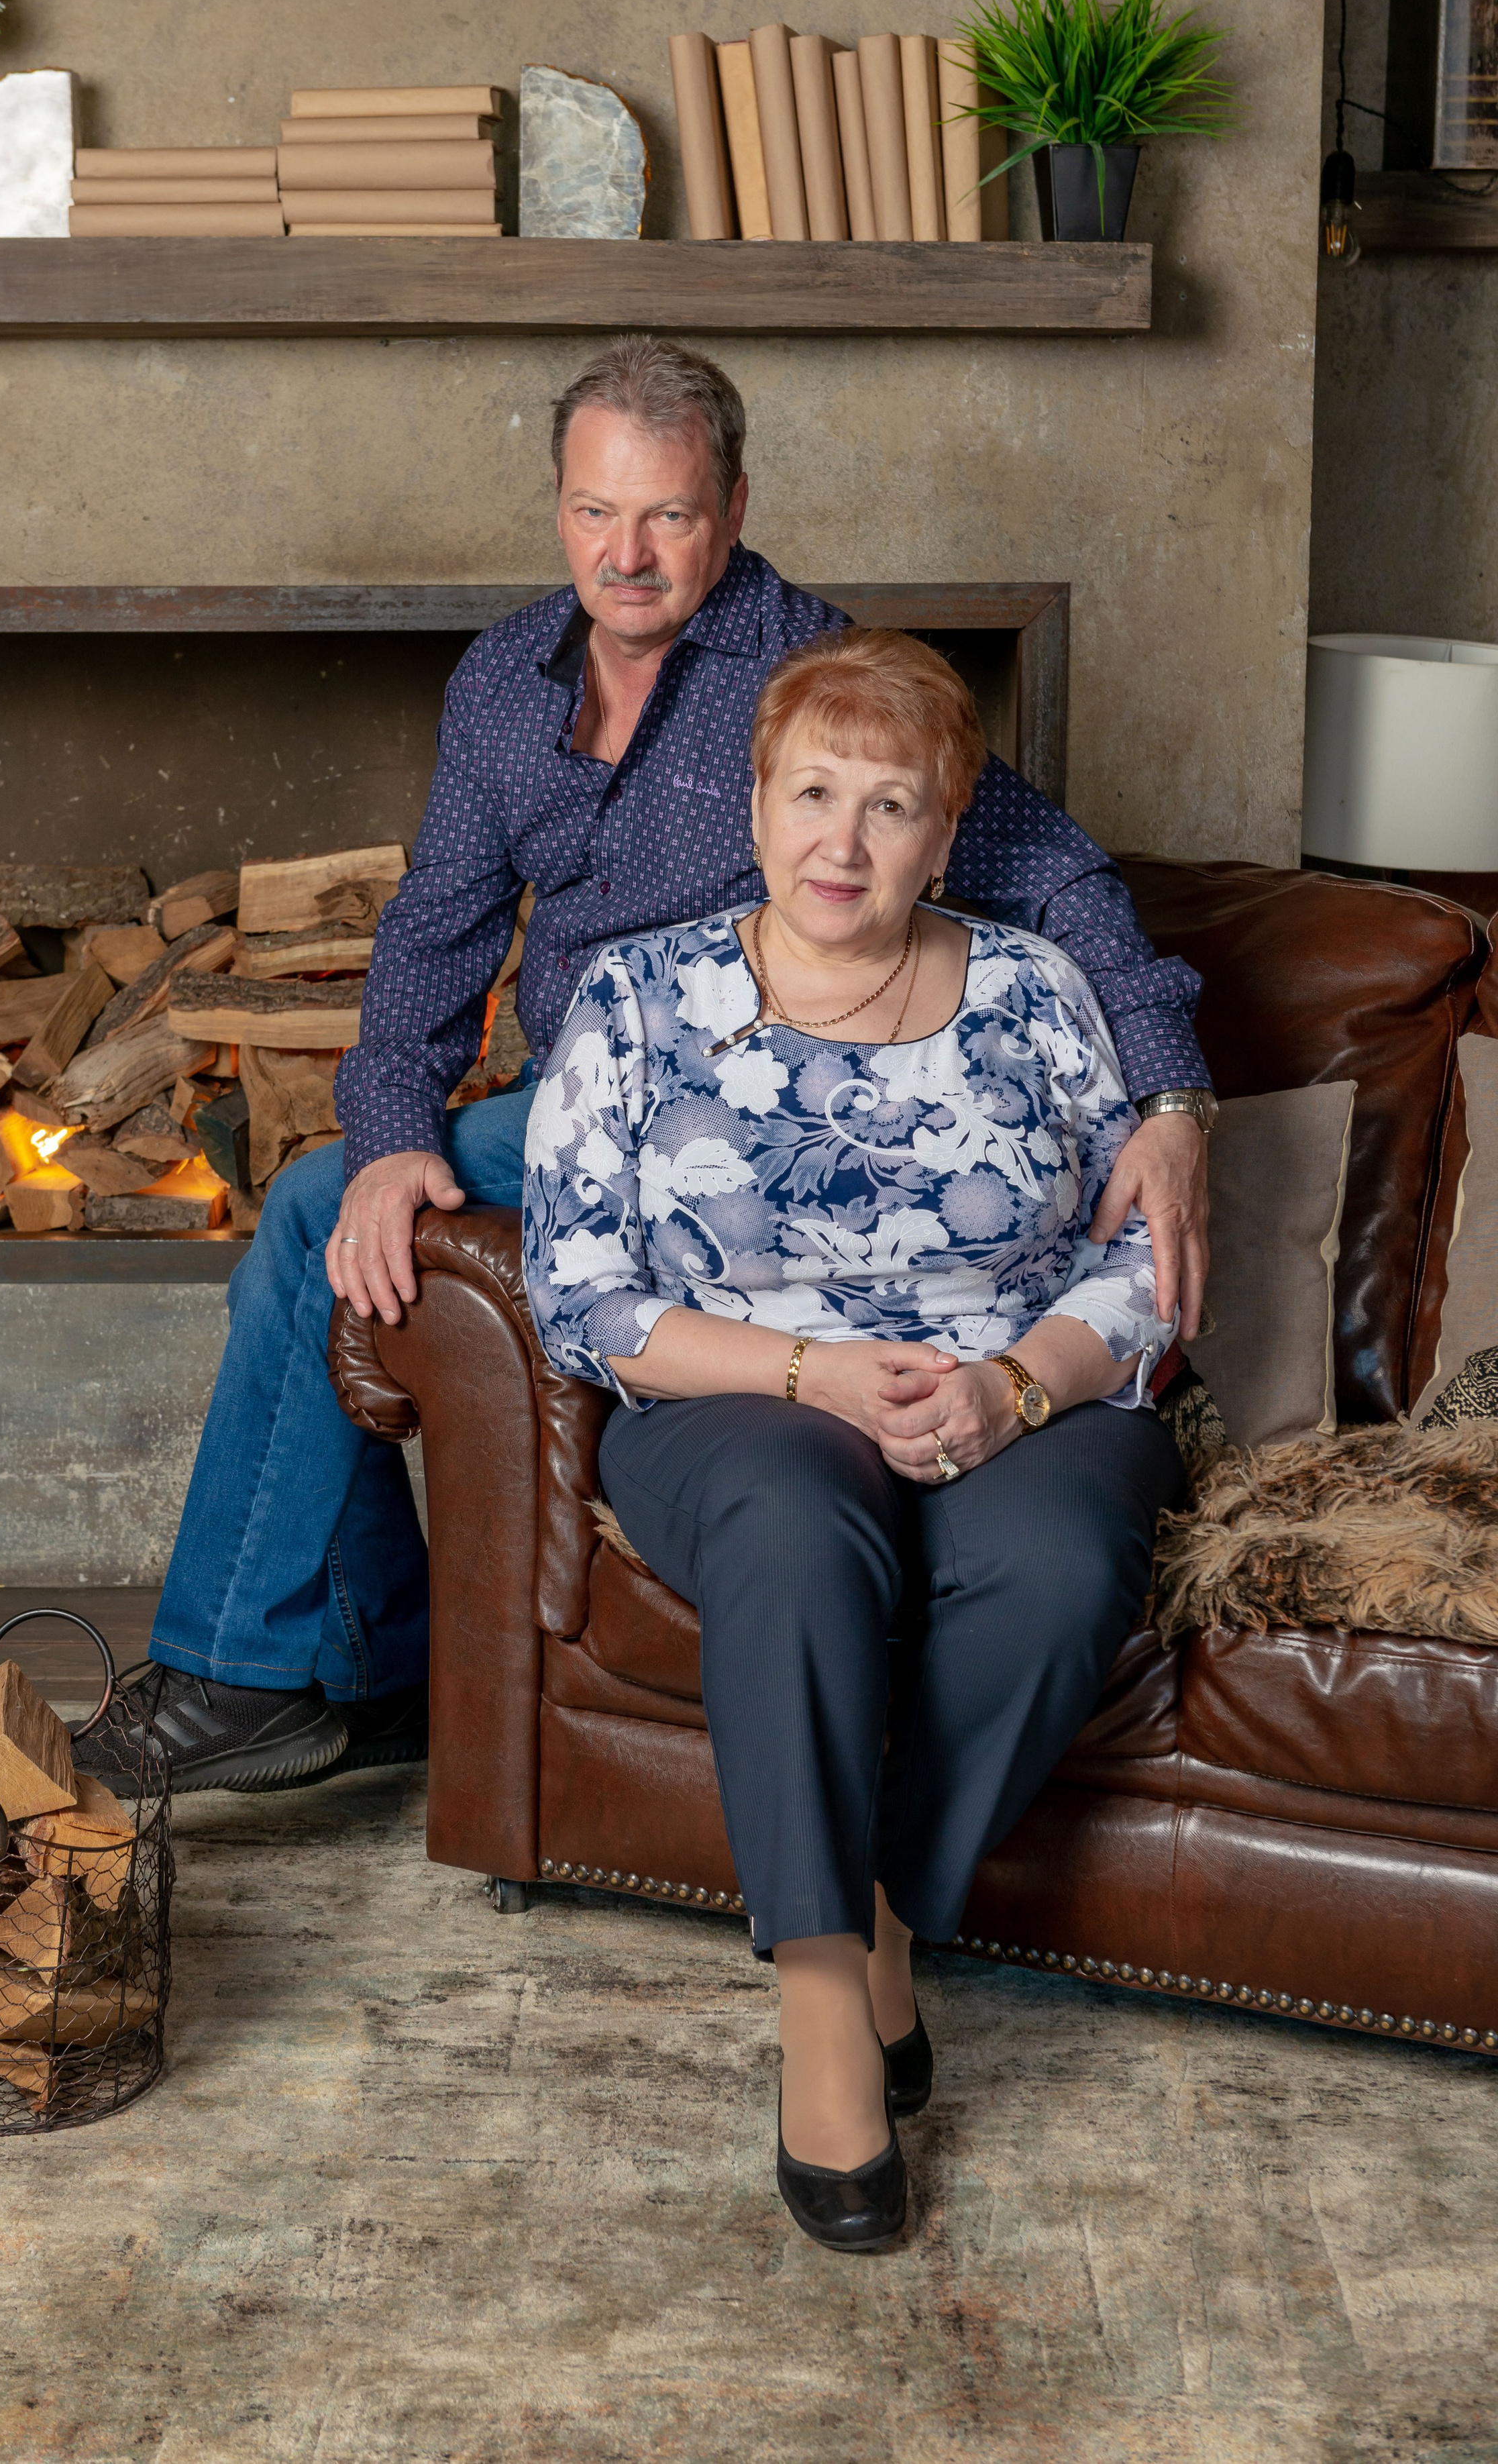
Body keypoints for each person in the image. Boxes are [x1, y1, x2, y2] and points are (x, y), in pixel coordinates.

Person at [108, 335, 1214, 1796]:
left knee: (309, 1212)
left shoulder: (812, 678)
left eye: (667, 517)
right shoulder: (504, 678)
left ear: (733, 507)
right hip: (567, 1096)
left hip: (724, 1113)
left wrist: (1172, 1097)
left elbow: (1060, 880)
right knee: (345, 1196)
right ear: (557, 507)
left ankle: (250, 1674)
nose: (624, 555)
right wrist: (389, 1125)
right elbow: (436, 925)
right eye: (592, 512)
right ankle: (345, 1667)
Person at [521, 626, 1186, 2252]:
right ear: (753, 806)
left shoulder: (1035, 991)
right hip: (738, 1394)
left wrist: (1016, 1387)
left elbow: (1138, 1264)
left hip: (1014, 1386)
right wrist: (811, 1371)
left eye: (889, 805)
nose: (842, 840)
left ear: (945, 834)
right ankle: (825, 2000)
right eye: (811, 793)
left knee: (1062, 1553)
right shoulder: (636, 995)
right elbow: (577, 1289)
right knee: (794, 1521)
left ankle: (885, 1913)